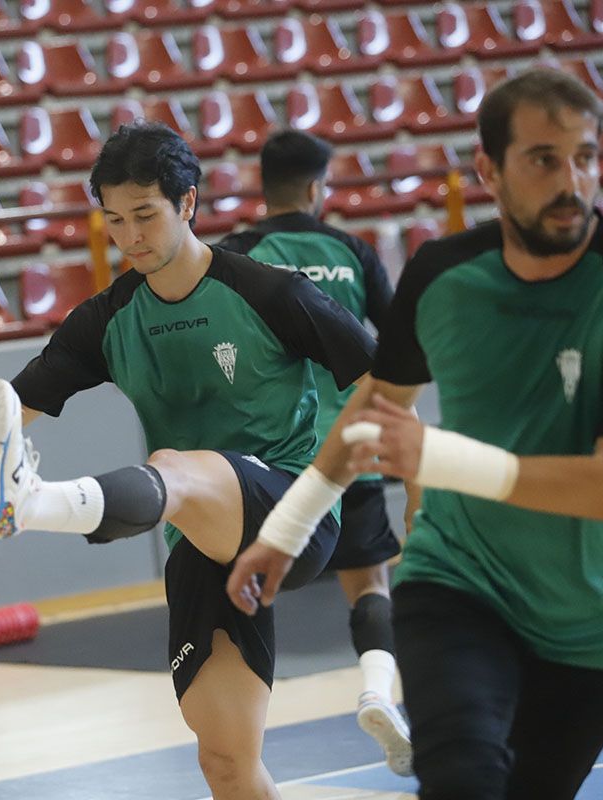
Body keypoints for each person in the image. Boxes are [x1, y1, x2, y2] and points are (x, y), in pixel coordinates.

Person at [227, 69, 603, 800]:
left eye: (586, 157)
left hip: (595, 612)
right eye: (544, 158)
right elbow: (374, 411)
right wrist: (287, 529)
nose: (572, 180)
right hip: (458, 582)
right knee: (461, 780)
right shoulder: (442, 274)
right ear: (488, 169)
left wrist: (436, 454)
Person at [0, 121, 377, 800]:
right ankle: (23, 496)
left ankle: (32, 504)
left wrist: (354, 484)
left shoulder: (273, 294)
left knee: (175, 461)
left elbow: (379, 389)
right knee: (227, 760)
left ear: (187, 204)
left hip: (290, 516)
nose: (130, 237)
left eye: (145, 215)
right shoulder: (109, 318)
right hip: (197, 538)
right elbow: (22, 398)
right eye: (114, 220)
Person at [218, 129, 413, 776]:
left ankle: (244, 749)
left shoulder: (239, 255)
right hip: (350, 447)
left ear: (265, 186)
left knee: (245, 587)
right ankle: (377, 692)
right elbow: (393, 348)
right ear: (315, 188)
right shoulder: (352, 250)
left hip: (274, 459)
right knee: (369, 585)